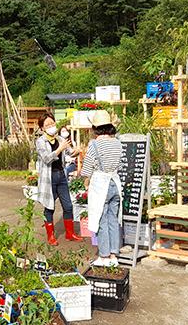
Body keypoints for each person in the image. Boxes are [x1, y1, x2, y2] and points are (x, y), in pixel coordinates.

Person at [80, 110, 124, 267]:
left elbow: (87, 167)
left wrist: (86, 182)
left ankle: (104, 256)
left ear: (96, 128)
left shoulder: (94, 144)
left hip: (100, 184)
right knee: (113, 219)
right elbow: (120, 164)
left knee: (100, 219)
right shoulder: (118, 142)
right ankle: (113, 255)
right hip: (115, 183)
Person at [34, 112, 82, 246]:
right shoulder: (40, 142)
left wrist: (75, 152)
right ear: (42, 128)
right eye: (47, 124)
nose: (51, 126)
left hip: (61, 175)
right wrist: (60, 149)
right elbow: (47, 158)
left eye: (52, 123)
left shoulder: (59, 138)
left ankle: (70, 233)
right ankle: (51, 236)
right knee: (49, 207)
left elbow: (68, 152)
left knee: (68, 205)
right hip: (49, 178)